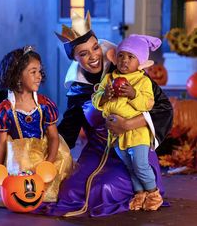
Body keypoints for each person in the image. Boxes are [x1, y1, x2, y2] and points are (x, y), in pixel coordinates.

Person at [36, 11, 173, 217]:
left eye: (95, 48)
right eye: (83, 54)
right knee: (70, 190)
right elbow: (68, 133)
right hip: (98, 150)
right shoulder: (78, 90)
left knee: (103, 189)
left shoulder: (126, 70)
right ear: (75, 59)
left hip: (134, 146)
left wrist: (128, 124)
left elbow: (163, 109)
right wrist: (39, 152)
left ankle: (148, 193)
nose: (93, 56)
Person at [0, 46, 72, 206]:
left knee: (54, 186)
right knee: (17, 188)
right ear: (18, 76)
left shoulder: (44, 105)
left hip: (45, 154)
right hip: (18, 158)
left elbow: (54, 137)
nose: (39, 76)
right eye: (33, 72)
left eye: (39, 71)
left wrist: (49, 163)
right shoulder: (5, 110)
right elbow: (1, 144)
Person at [92, 34, 163, 211]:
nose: (124, 60)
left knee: (140, 164)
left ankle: (154, 193)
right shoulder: (109, 79)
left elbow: (148, 104)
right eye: (121, 55)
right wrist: (104, 96)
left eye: (131, 57)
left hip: (137, 133)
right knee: (129, 166)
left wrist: (133, 94)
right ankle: (139, 193)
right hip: (117, 135)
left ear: (140, 62)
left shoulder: (142, 81)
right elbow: (95, 100)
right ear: (115, 59)